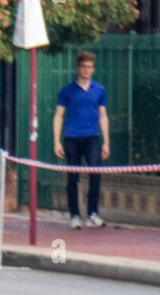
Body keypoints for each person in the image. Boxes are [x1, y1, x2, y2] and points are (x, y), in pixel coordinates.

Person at [52, 51, 110, 229]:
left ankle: (93, 213)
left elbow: (103, 116)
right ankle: (74, 214)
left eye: (90, 67)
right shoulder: (67, 91)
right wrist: (57, 141)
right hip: (72, 138)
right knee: (72, 178)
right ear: (78, 68)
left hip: (92, 137)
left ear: (93, 69)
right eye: (83, 66)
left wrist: (107, 142)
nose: (86, 70)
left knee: (95, 174)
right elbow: (59, 115)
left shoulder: (99, 90)